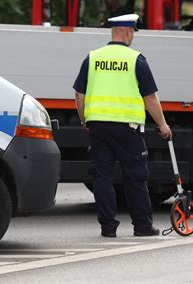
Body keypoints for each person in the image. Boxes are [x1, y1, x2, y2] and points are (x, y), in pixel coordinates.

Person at [73, 14, 172, 238]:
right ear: (127, 32)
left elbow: (79, 93)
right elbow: (150, 99)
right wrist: (163, 125)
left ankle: (108, 227)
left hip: (98, 125)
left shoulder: (93, 58)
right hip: (127, 128)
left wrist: (84, 119)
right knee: (135, 176)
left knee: (102, 177)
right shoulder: (136, 59)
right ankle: (142, 226)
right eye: (134, 32)